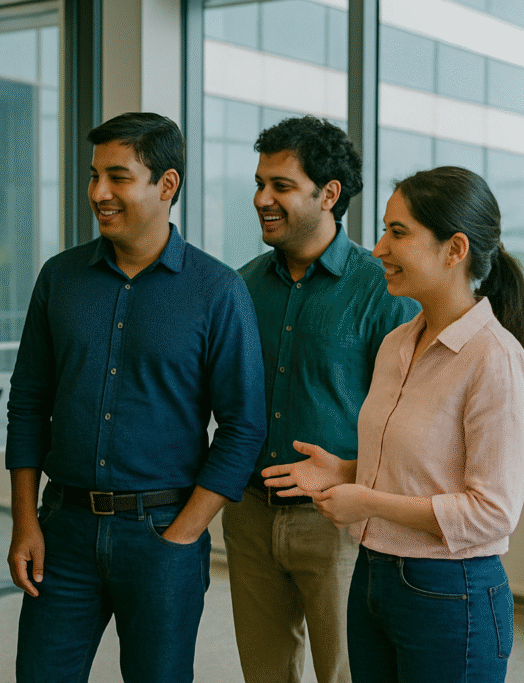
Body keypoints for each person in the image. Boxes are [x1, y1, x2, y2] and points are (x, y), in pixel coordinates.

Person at [6, 111, 267, 683]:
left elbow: (244, 425)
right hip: (62, 530)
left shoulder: (218, 290)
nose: (98, 192)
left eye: (118, 177)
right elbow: (27, 403)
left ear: (166, 184)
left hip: (162, 533)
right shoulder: (59, 278)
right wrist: (25, 520)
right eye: (94, 175)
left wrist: (184, 536)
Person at [263, 166, 524, 683]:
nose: (378, 249)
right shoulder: (397, 343)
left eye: (398, 232)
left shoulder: (494, 359)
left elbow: (493, 512)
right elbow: (423, 469)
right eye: (383, 231)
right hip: (374, 574)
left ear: (454, 250)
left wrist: (367, 501)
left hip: (451, 591)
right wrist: (348, 471)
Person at [225, 116, 419, 683]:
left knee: (348, 673)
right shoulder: (239, 287)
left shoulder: (383, 290)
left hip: (339, 523)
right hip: (249, 514)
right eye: (259, 183)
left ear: (329, 194)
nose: (262, 199)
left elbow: (409, 418)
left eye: (281, 186)